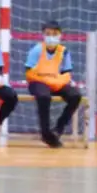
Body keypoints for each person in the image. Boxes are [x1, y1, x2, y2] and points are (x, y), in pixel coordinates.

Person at [24, 19, 83, 149]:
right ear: (43, 35)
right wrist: (48, 80)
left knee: (75, 96)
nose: (51, 37)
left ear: (60, 35)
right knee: (44, 96)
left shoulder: (64, 51)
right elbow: (28, 73)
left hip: (56, 83)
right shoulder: (37, 50)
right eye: (48, 34)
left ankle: (59, 128)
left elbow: (67, 74)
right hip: (38, 82)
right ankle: (45, 133)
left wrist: (57, 82)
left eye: (54, 34)